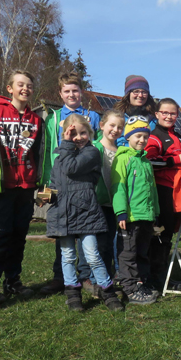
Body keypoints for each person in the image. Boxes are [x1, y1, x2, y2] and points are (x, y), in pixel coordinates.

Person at [0, 70, 43, 305]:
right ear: (10, 88)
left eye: (29, 86)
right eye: (20, 85)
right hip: (4, 185)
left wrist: (41, 183)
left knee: (19, 235)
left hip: (26, 185)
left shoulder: (37, 120)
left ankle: (13, 280)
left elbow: (40, 154)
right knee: (2, 234)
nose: (25, 89)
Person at [46, 114, 122, 312]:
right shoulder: (61, 156)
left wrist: (66, 143)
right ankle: (72, 292)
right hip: (63, 212)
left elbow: (71, 168)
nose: (78, 137)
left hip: (85, 211)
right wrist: (48, 195)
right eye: (72, 133)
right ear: (65, 134)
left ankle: (107, 289)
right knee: (68, 255)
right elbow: (55, 181)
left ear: (90, 133)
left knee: (92, 254)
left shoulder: (91, 153)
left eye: (82, 133)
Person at [40, 72, 101, 296]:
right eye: (67, 91)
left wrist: (95, 177)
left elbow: (99, 146)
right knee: (62, 227)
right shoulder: (54, 118)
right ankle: (61, 276)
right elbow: (49, 152)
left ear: (81, 92)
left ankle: (85, 275)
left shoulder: (92, 116)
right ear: (60, 94)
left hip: (84, 182)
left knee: (86, 228)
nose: (71, 94)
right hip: (60, 183)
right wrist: (48, 183)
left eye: (75, 90)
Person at [145, 98, 181, 291]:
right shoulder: (154, 136)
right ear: (157, 114)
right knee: (160, 236)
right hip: (161, 191)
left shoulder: (179, 136)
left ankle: (163, 277)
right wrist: (175, 160)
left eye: (172, 113)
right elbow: (149, 162)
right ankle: (155, 280)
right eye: (164, 113)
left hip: (177, 192)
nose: (168, 116)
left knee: (167, 236)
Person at [111, 117, 160, 304]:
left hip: (146, 216)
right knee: (128, 254)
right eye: (138, 136)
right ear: (128, 137)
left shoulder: (146, 161)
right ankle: (130, 289)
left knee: (142, 253)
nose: (142, 140)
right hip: (130, 217)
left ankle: (142, 283)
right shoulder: (123, 158)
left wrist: (155, 211)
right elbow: (118, 186)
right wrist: (121, 212)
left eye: (146, 137)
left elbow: (152, 189)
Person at [90, 110, 125, 299]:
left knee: (111, 243)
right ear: (102, 125)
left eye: (120, 127)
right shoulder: (94, 148)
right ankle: (98, 283)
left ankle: (107, 281)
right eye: (112, 125)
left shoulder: (121, 152)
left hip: (114, 205)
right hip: (97, 204)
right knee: (100, 245)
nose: (115, 130)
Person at [114, 75, 157, 147]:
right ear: (128, 94)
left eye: (144, 92)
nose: (140, 95)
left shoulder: (154, 118)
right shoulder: (118, 116)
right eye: (136, 91)